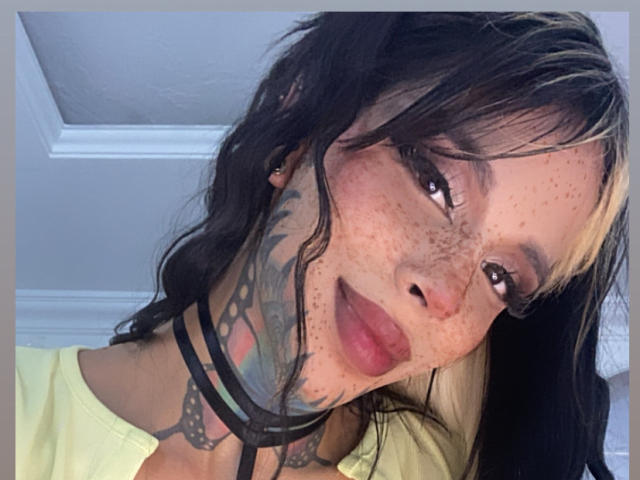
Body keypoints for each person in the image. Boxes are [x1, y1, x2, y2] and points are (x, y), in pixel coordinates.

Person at [16, 12, 628, 480]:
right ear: (302, 128)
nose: (445, 293)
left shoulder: (432, 466)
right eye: (435, 182)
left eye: (500, 276)